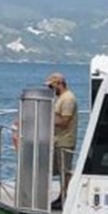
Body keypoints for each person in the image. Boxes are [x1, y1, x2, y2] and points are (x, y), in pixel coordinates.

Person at [47, 72, 78, 205]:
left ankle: (65, 198)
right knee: (59, 170)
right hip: (57, 140)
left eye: (51, 86)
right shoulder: (61, 98)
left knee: (64, 171)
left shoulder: (68, 99)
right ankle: (62, 196)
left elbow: (65, 120)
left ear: (59, 84)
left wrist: (47, 120)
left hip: (65, 141)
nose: (50, 90)